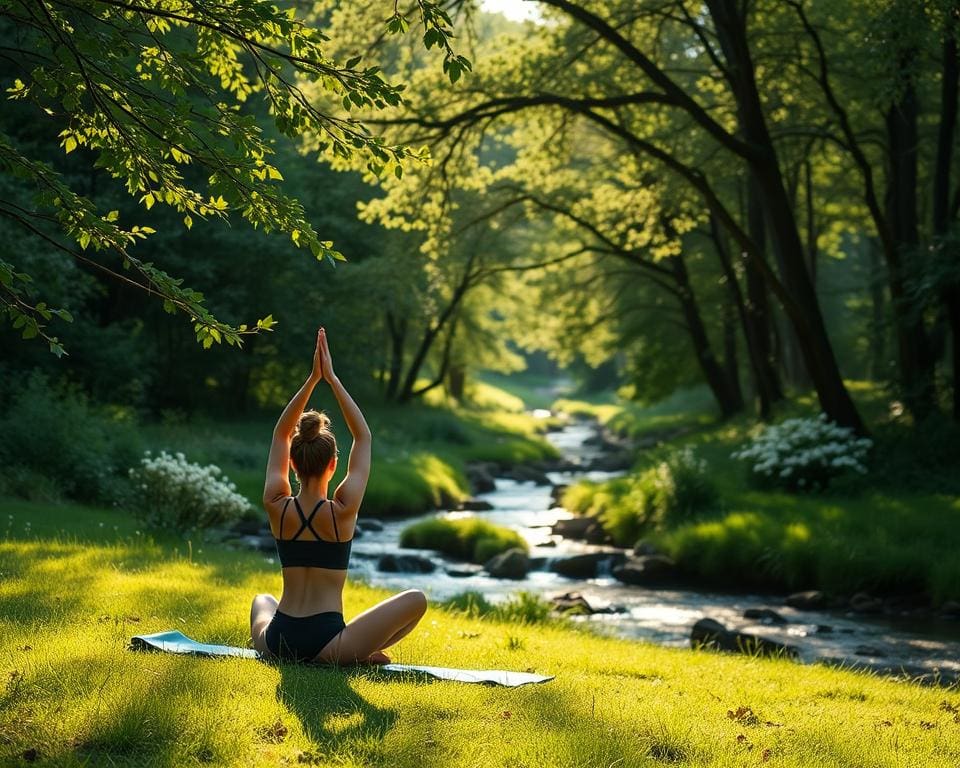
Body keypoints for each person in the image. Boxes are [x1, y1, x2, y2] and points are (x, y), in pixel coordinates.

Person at [250, 327, 427, 664]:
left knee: (262, 599)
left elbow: (280, 434)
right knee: (416, 598)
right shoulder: (342, 510)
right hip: (327, 646)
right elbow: (363, 437)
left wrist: (311, 380)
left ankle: (352, 652)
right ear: (333, 465)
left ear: (292, 463)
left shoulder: (276, 504)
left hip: (278, 641)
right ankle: (358, 653)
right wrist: (331, 378)